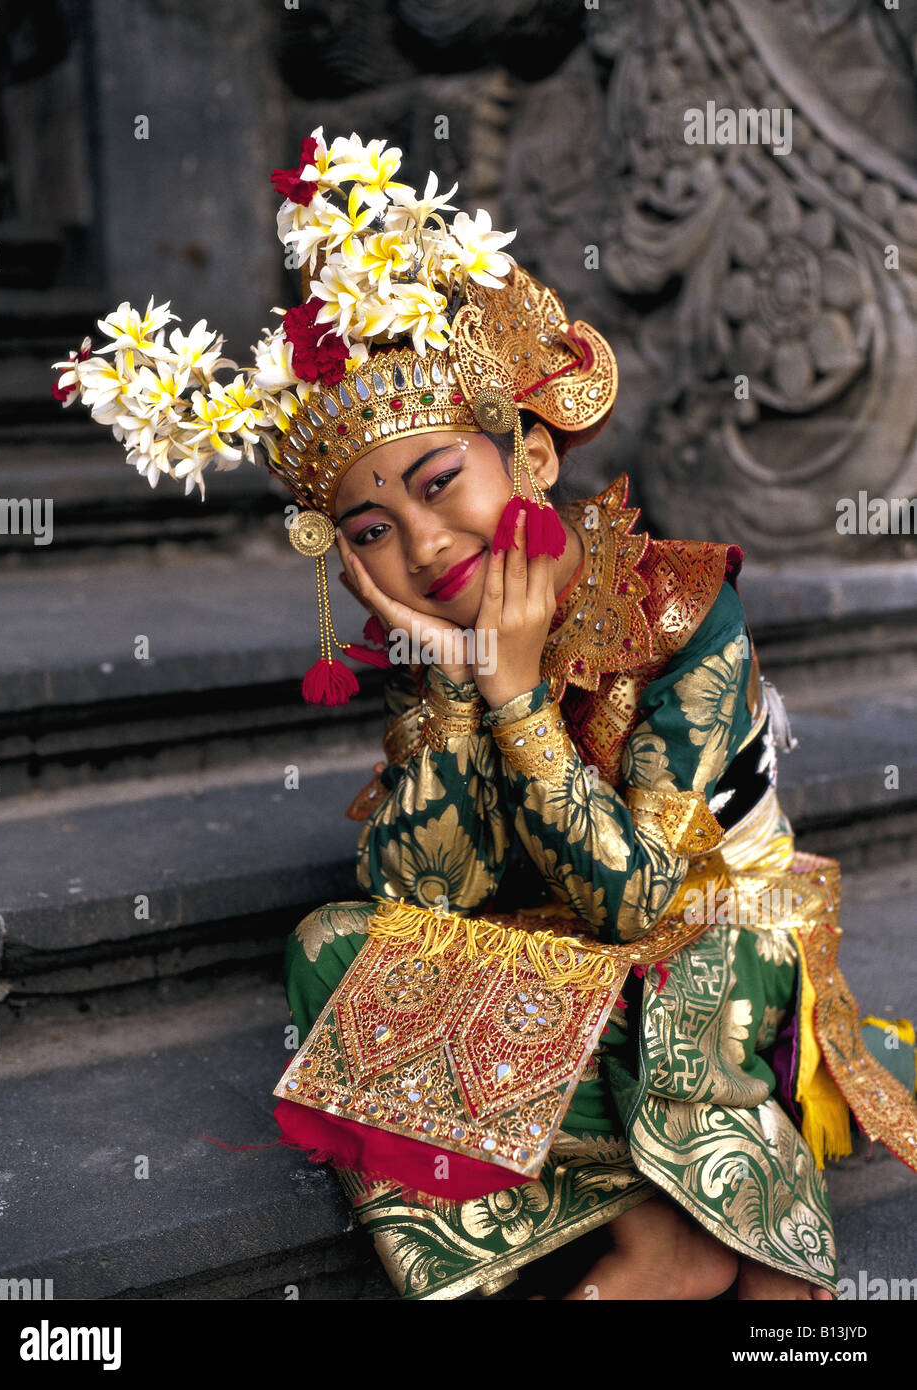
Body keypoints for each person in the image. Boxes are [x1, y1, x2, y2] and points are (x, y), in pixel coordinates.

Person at [54, 126, 917, 1302]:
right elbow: (424, 901)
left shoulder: (678, 606)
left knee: (691, 979)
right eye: (369, 535)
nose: (420, 545)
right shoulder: (439, 648)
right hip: (554, 945)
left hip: (707, 937)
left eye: (437, 484)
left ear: (526, 452)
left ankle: (703, 1232)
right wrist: (465, 687)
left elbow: (640, 901)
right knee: (332, 951)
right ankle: (653, 1216)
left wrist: (518, 697)